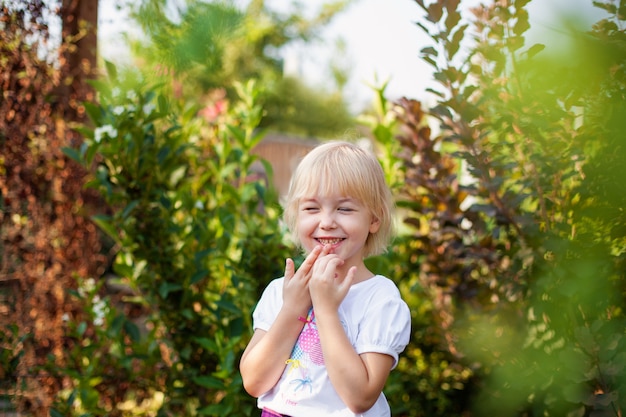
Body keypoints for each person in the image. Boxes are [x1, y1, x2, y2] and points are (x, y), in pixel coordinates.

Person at [240, 141, 411, 417]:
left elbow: (360, 398)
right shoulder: (282, 291)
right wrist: (293, 308)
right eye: (311, 208)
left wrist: (326, 309)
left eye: (344, 209)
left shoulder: (379, 298)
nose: (327, 221)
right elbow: (254, 381)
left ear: (374, 218)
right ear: (296, 216)